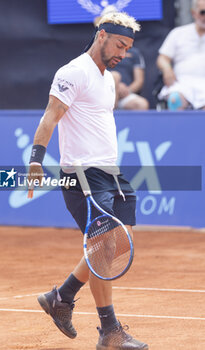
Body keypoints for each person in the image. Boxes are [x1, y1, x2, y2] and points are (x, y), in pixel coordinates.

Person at [28, 12, 148, 350]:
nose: (123, 54)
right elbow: (50, 117)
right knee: (103, 247)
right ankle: (109, 331)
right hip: (81, 174)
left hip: (111, 172)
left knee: (119, 242)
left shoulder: (108, 79)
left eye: (127, 48)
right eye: (120, 45)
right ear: (101, 36)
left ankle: (61, 296)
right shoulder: (72, 72)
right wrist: (36, 160)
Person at [157, 0, 205, 110]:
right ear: (193, 13)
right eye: (203, 12)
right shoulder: (178, 33)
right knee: (175, 100)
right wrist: (167, 69)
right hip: (182, 83)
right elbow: (163, 58)